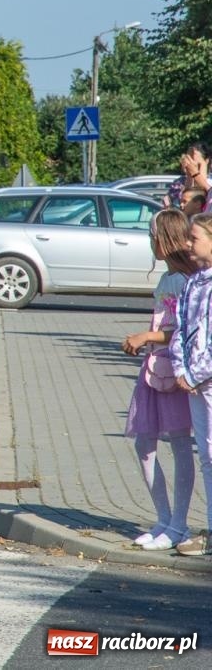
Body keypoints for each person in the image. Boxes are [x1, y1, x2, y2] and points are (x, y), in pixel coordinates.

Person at [120, 209, 197, 550]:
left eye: (153, 235)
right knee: (144, 444)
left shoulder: (183, 282)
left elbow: (183, 334)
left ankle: (178, 523)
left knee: (180, 445)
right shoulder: (168, 279)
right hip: (154, 370)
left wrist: (145, 337)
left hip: (173, 370)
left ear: (165, 238)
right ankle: (163, 518)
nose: (149, 241)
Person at [170, 211, 212, 555]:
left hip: (207, 379)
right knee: (208, 456)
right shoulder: (194, 282)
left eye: (194, 237)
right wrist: (180, 369)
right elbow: (181, 329)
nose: (187, 243)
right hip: (195, 382)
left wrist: (196, 372)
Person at [167, 143, 210, 208]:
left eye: (193, 158)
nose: (190, 162)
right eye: (188, 158)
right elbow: (181, 205)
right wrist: (189, 175)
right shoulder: (179, 183)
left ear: (206, 161)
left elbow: (204, 192)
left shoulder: (210, 181)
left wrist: (196, 171)